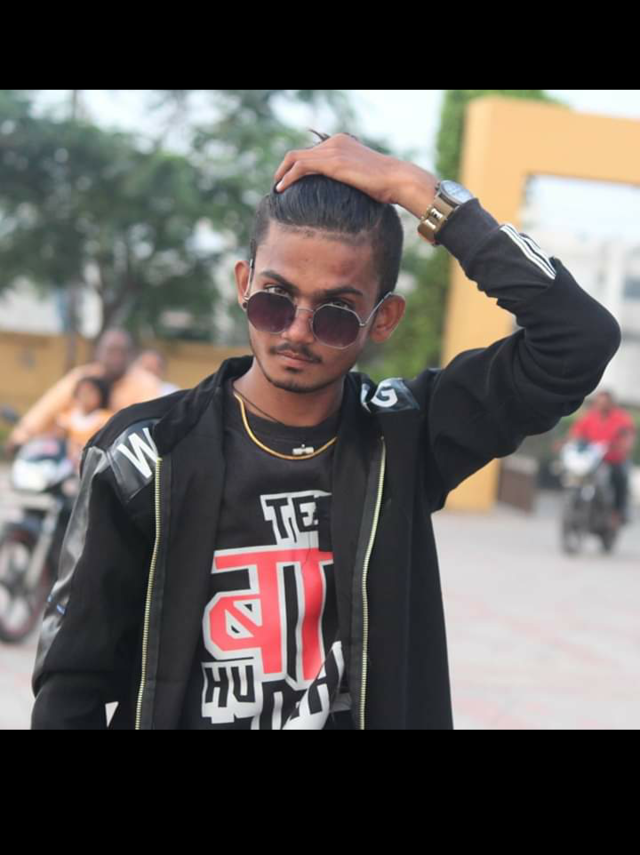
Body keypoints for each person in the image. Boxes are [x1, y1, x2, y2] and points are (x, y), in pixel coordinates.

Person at [30, 133, 621, 730]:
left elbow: (579, 338)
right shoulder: (146, 455)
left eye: (336, 313)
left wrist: (418, 191)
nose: (296, 331)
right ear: (243, 284)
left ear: (383, 319)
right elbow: (70, 682)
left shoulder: (405, 437)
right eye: (275, 300)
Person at [6, 329, 162, 452]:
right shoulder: (82, 378)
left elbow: (152, 422)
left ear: (131, 355)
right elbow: (46, 408)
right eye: (111, 351)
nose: (116, 357)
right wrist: (20, 437)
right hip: (74, 458)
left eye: (121, 352)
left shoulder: (145, 383)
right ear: (98, 352)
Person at [566, 390, 636, 525]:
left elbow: (628, 434)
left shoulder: (620, 417)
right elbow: (576, 432)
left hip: (613, 459)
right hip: (592, 459)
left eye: (604, 403)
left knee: (620, 478)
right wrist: (571, 442)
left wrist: (624, 445)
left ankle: (617, 513)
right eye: (599, 402)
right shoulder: (590, 416)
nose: (601, 405)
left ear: (611, 403)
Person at [54, 376, 113, 470]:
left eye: (91, 393)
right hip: (69, 463)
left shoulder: (104, 419)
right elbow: (58, 439)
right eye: (82, 393)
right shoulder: (67, 417)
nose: (86, 397)